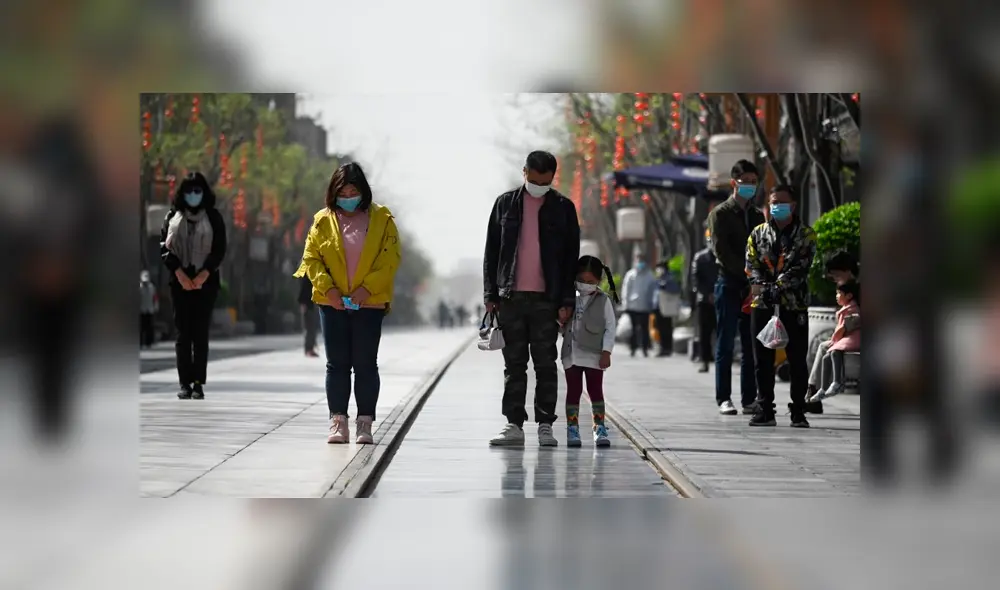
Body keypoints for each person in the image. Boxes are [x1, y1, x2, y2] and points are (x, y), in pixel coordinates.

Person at [294, 162, 401, 444]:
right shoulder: (322, 220)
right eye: (343, 191)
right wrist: (328, 290)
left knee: (366, 364)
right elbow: (311, 259)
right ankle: (337, 421)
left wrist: (366, 290)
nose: (349, 196)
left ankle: (364, 423)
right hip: (333, 305)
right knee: (337, 365)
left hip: (369, 303)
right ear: (334, 191)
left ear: (363, 190)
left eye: (354, 190)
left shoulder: (382, 219)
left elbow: (389, 259)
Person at [484, 150, 580, 447]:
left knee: (545, 363)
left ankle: (545, 425)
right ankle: (513, 424)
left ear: (553, 177)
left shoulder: (563, 208)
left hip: (546, 300)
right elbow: (491, 252)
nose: (539, 185)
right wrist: (490, 294)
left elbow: (569, 258)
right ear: (524, 172)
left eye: (545, 181)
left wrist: (566, 300)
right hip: (510, 297)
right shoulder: (505, 204)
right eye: (534, 179)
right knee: (514, 364)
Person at [746, 184, 818, 427]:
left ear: (793, 205)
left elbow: (802, 266)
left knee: (797, 359)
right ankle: (765, 408)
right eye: (772, 202)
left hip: (793, 304)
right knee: (762, 360)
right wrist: (763, 286)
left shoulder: (806, 234)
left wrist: (780, 285)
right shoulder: (757, 233)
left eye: (781, 203)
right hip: (762, 302)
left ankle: (798, 410)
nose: (776, 207)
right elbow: (752, 263)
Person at [160, 172, 228, 400]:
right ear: (182, 193)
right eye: (189, 191)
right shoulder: (172, 216)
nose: (193, 196)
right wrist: (179, 273)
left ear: (204, 193)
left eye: (197, 191)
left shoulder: (214, 217)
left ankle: (198, 383)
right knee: (183, 333)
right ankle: (184, 383)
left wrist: (203, 275)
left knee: (200, 333)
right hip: (179, 280)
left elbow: (220, 249)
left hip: (205, 282)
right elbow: (164, 248)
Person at [707, 160, 766, 415]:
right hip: (729, 284)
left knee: (750, 344)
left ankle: (749, 398)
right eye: (746, 182)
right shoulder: (720, 214)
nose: (750, 186)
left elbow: (764, 246)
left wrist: (759, 276)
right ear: (734, 183)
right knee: (726, 343)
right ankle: (724, 398)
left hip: (753, 286)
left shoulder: (756, 215)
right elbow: (721, 251)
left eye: (754, 182)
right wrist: (745, 274)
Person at [560, 256, 620, 447]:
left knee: (595, 391)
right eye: (582, 280)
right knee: (574, 391)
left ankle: (599, 427)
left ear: (599, 281)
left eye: (590, 282)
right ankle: (572, 428)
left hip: (594, 354)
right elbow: (561, 326)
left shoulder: (603, 301)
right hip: (572, 354)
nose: (585, 285)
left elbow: (611, 327)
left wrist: (606, 352)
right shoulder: (569, 298)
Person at [808, 280, 861, 401]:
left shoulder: (852, 308)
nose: (836, 296)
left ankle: (837, 382)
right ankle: (822, 389)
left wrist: (837, 336)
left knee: (835, 350)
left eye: (839, 293)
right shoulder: (846, 308)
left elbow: (847, 326)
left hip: (854, 338)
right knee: (826, 357)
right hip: (846, 338)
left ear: (849, 295)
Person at [691, 234, 718, 372]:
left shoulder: (723, 257)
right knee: (704, 333)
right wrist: (707, 294)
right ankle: (704, 360)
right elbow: (696, 280)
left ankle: (720, 360)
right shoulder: (700, 258)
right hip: (704, 301)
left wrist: (717, 293)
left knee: (720, 332)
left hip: (721, 299)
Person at [621, 253, 657, 357]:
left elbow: (653, 290)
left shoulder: (650, 275)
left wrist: (652, 304)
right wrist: (625, 303)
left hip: (645, 306)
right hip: (632, 306)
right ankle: (633, 348)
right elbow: (626, 290)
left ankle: (645, 348)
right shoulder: (631, 275)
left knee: (644, 328)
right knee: (633, 329)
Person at [652, 261, 681, 357]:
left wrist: (665, 286)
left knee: (667, 328)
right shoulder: (657, 278)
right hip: (657, 307)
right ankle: (662, 347)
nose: (658, 270)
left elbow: (675, 290)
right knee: (659, 328)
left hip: (667, 308)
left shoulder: (670, 278)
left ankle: (667, 348)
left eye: (660, 268)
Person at [298, 275, 319, 357]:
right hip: (307, 304)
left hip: (312, 302)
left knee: (313, 327)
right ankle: (308, 349)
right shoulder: (305, 274)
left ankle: (311, 348)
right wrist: (302, 303)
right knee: (309, 327)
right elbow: (303, 289)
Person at [140, 270, 159, 349]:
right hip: (141, 309)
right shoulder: (139, 287)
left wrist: (156, 306)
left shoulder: (152, 287)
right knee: (141, 327)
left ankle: (149, 342)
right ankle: (140, 343)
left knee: (149, 327)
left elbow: (155, 298)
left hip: (150, 309)